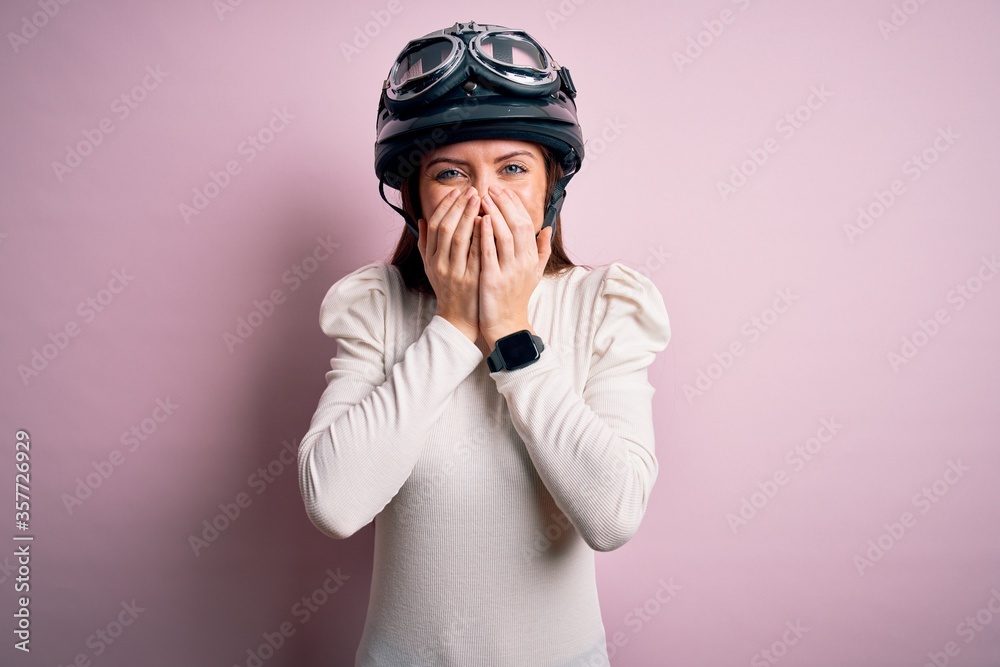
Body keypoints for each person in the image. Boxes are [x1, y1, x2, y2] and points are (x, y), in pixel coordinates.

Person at [297, 20, 671, 666]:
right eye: (450, 173)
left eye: (513, 168)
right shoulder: (377, 306)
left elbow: (612, 516)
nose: (482, 199)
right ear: (415, 199)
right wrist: (454, 326)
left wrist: (510, 332)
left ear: (551, 188)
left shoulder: (606, 305)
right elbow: (334, 502)